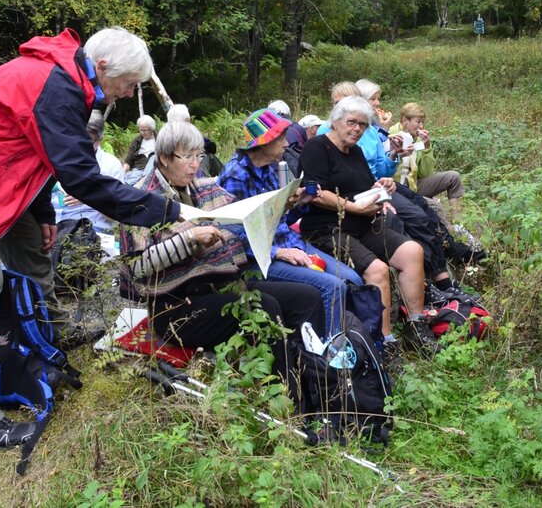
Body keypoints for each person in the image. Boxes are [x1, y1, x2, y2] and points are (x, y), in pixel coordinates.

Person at [0, 26, 182, 452]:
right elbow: (82, 178)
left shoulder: (66, 81)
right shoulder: (55, 88)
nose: (130, 94)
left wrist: (41, 212)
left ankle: (46, 334)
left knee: (33, 256)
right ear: (104, 67)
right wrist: (167, 212)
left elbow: (34, 150)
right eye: (130, 85)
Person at [121, 121, 324, 407]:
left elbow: (242, 219)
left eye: (199, 156)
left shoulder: (204, 188)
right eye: (187, 157)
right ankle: (289, 402)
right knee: (264, 306)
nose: (195, 165)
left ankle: (316, 383)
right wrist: (190, 240)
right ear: (164, 158)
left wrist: (283, 206)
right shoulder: (142, 199)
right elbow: (137, 266)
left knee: (307, 297)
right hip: (176, 307)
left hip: (222, 285)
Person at [299, 96, 438, 351]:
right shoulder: (317, 148)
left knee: (412, 251)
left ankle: (416, 328)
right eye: (352, 122)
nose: (357, 129)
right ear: (336, 121)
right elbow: (316, 193)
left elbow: (364, 185)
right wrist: (354, 207)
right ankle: (384, 342)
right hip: (329, 229)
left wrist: (382, 187)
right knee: (377, 270)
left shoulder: (356, 151)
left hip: (363, 224)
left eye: (363, 125)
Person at [218, 108, 366, 338]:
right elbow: (230, 234)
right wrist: (279, 252)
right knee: (333, 286)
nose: (286, 144)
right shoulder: (236, 176)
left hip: (288, 242)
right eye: (280, 138)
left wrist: (301, 202)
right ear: (264, 142)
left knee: (352, 279)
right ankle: (329, 355)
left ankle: (355, 340)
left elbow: (281, 220)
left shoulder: (268, 170)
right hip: (261, 259)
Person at [55, 110, 126, 232]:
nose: (78, 146)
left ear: (99, 140)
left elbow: (117, 211)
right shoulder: (57, 156)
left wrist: (90, 198)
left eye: (86, 142)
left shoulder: (110, 165)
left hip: (90, 230)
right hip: (52, 225)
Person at [390, 103, 463, 211]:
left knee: (453, 177)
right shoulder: (390, 134)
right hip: (394, 187)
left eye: (423, 122)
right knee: (434, 207)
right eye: (418, 122)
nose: (421, 127)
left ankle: (459, 222)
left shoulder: (419, 141)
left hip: (413, 186)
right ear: (405, 120)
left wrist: (427, 148)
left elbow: (426, 174)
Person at [122, 115, 156, 186]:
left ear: (151, 129)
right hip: (137, 170)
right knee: (126, 179)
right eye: (141, 130)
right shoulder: (137, 141)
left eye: (145, 130)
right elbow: (129, 160)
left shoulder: (159, 140)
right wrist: (123, 171)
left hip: (153, 171)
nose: (142, 132)